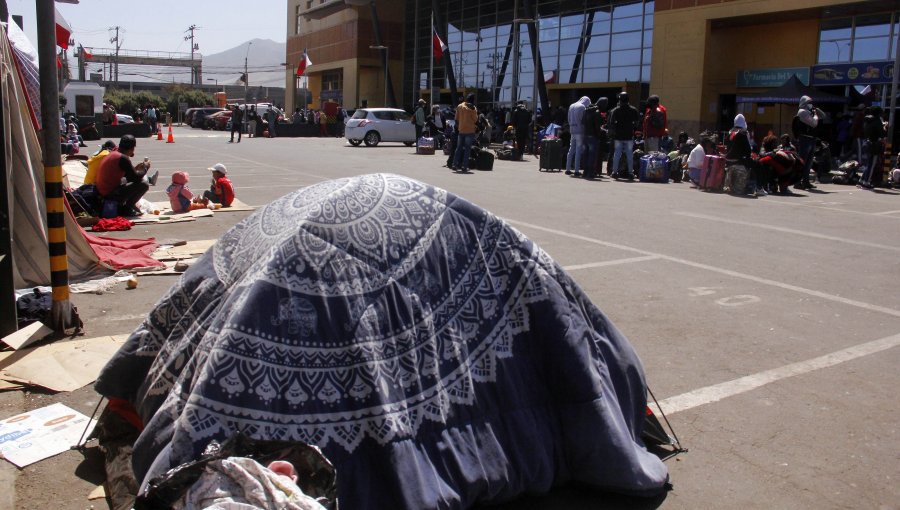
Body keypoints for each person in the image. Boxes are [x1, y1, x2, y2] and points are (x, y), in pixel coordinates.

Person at [95, 135, 155, 217]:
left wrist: (135, 169)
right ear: (132, 148)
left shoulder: (113, 154)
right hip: (109, 194)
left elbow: (127, 175)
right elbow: (135, 178)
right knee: (143, 185)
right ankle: (127, 207)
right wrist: (145, 168)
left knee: (131, 181)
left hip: (102, 191)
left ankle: (127, 205)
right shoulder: (123, 158)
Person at [792, 95, 825, 190]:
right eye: (809, 103)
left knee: (809, 163)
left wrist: (816, 110)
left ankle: (806, 181)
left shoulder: (810, 112)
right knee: (802, 162)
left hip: (812, 139)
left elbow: (823, 116)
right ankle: (797, 182)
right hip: (805, 139)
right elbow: (814, 123)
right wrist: (815, 115)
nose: (811, 104)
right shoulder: (802, 112)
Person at [608, 91, 640, 180]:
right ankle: (630, 172)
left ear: (620, 100)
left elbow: (611, 123)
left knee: (617, 154)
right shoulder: (633, 110)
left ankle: (614, 172)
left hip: (618, 136)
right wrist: (632, 127)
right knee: (630, 155)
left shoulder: (616, 110)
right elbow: (637, 123)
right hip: (629, 135)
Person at [724, 114, 758, 196]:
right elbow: (748, 150)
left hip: (728, 161)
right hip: (739, 161)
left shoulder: (730, 132)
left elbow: (726, 144)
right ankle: (757, 187)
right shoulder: (744, 133)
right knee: (756, 163)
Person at [858, 106, 886, 189]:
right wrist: (884, 127)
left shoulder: (867, 120)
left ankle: (861, 180)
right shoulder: (877, 121)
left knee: (868, 164)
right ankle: (866, 182)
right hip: (874, 144)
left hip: (867, 143)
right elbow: (882, 134)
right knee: (872, 165)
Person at [564, 96, 591, 177]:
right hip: (580, 131)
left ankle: (567, 169)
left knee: (571, 149)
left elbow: (568, 119)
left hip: (572, 130)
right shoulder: (582, 107)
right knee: (578, 150)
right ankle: (576, 170)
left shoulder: (572, 106)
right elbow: (583, 120)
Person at [452, 94, 478, 172]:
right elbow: (475, 120)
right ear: (473, 100)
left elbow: (456, 119)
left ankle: (455, 164)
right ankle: (464, 166)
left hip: (461, 130)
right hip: (470, 131)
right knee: (467, 149)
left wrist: (459, 127)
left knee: (458, 148)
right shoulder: (473, 108)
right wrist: (473, 110)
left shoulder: (460, 106)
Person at [583, 97, 607, 179]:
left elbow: (583, 122)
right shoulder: (597, 112)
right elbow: (597, 126)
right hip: (593, 136)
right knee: (592, 156)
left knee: (586, 154)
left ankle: (585, 172)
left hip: (585, 135)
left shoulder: (586, 110)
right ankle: (590, 173)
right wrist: (599, 134)